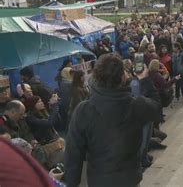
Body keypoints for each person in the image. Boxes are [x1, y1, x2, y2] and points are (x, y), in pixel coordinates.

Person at [64, 53, 163, 187]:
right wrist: (144, 79)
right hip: (129, 179)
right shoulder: (135, 105)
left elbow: (73, 153)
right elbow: (157, 110)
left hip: (99, 180)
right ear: (122, 76)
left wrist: (71, 183)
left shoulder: (83, 110)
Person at [24, 94, 64, 169]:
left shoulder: (43, 113)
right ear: (33, 105)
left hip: (56, 142)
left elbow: (58, 123)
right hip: (47, 147)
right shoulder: (30, 118)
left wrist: (53, 109)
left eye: (41, 101)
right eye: (39, 102)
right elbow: (49, 123)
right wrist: (54, 106)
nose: (42, 103)